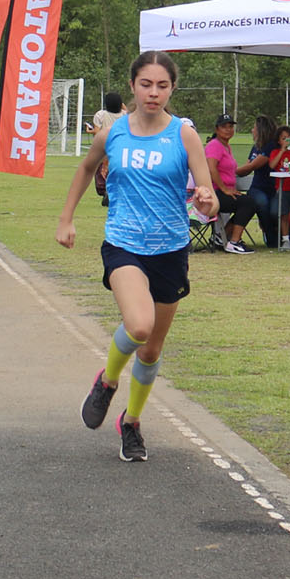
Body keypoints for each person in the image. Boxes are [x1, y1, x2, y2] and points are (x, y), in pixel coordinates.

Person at [57, 51, 219, 462]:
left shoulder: (184, 134)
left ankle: (131, 422)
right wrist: (67, 219)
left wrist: (206, 199)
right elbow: (85, 169)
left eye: (162, 86)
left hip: (170, 249)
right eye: (146, 84)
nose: (153, 93)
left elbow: (208, 200)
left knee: (150, 351)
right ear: (132, 86)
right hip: (124, 243)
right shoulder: (113, 133)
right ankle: (107, 382)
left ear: (172, 89)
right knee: (140, 325)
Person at [204, 113, 260, 253]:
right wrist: (224, 189)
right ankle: (234, 242)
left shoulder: (226, 147)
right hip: (214, 193)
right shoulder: (214, 145)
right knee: (248, 202)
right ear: (217, 129)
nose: (228, 129)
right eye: (224, 127)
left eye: (230, 126)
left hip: (225, 192)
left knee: (248, 202)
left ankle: (220, 236)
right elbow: (211, 169)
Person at [237, 114, 280, 248]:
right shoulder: (256, 147)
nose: (252, 130)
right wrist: (230, 171)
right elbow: (247, 168)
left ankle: (280, 237)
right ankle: (272, 240)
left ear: (261, 130)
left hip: (273, 189)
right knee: (261, 203)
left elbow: (253, 166)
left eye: (254, 127)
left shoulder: (271, 147)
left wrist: (230, 171)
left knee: (274, 211)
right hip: (257, 188)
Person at [267, 124, 290, 247]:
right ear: (278, 140)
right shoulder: (275, 152)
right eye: (283, 138)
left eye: (289, 138)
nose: (286, 141)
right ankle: (285, 240)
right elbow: (272, 165)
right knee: (283, 215)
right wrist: (282, 150)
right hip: (282, 188)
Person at [87, 92, 126, 207]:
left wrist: (91, 132)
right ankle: (115, 192)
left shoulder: (100, 115)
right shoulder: (124, 115)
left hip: (105, 148)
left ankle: (105, 191)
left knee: (102, 173)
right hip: (120, 149)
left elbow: (98, 132)